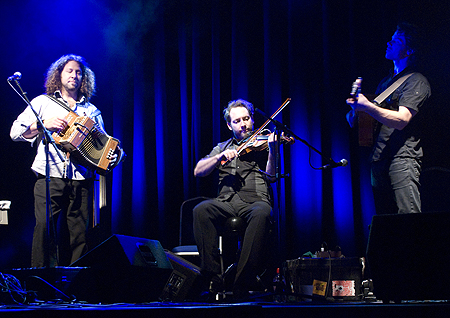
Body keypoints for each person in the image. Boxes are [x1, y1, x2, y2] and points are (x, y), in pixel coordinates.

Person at [10, 54, 122, 267]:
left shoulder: (91, 111)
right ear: (59, 74)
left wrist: (113, 155)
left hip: (81, 177)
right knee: (45, 229)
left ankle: (75, 288)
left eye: (79, 72)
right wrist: (43, 124)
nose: (74, 75)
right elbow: (15, 132)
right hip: (49, 174)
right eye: (69, 71)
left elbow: (103, 145)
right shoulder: (42, 102)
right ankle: (43, 284)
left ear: (84, 78)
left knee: (80, 235)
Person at [193, 99, 277, 301]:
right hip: (226, 202)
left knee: (263, 212)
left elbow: (272, 177)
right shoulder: (222, 147)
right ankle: (213, 278)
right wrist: (219, 157)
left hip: (255, 200)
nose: (243, 124)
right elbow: (198, 170)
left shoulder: (263, 144)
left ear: (252, 120)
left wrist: (273, 150)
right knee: (200, 210)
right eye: (237, 121)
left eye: (246, 119)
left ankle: (242, 281)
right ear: (229, 125)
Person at [346, 23, 431, 214]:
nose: (389, 43)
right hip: (379, 159)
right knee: (386, 224)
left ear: (409, 50)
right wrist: (356, 111)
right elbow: (364, 120)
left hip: (402, 158)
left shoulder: (416, 80)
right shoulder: (385, 82)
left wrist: (367, 106)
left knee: (408, 220)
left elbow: (402, 120)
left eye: (397, 40)